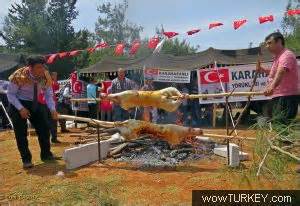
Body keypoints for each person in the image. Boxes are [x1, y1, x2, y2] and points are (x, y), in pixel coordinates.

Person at [7, 55, 59, 169]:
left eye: (43, 67)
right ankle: (26, 159)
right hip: (18, 102)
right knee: (21, 133)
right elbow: (10, 94)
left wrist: (52, 109)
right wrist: (20, 108)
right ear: (30, 68)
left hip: (35, 103)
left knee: (45, 128)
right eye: (39, 67)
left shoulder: (45, 76)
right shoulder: (18, 75)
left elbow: (48, 95)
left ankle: (46, 155)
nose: (42, 70)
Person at [256, 32, 299, 124]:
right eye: (266, 44)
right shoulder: (277, 57)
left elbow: (281, 72)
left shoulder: (286, 55)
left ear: (279, 41)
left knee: (282, 124)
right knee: (279, 124)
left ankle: (283, 139)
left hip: (287, 96)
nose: (267, 46)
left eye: (269, 43)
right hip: (279, 96)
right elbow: (274, 73)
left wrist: (272, 87)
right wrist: (263, 70)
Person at [38, 72, 61, 143]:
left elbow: (57, 86)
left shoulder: (51, 83)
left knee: (54, 121)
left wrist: (55, 79)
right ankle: (46, 139)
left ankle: (54, 138)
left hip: (52, 105)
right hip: (42, 105)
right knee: (45, 122)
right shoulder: (38, 83)